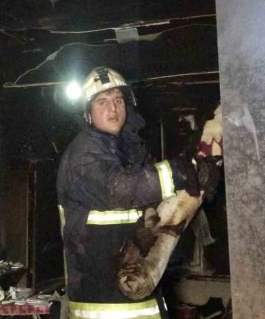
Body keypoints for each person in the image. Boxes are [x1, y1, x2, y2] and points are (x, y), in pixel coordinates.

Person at [57, 67, 208, 319]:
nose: (113, 108)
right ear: (87, 113)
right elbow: (121, 189)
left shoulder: (127, 152)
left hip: (135, 291)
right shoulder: (83, 155)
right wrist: (178, 172)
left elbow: (151, 207)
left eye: (118, 100)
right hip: (103, 302)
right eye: (102, 101)